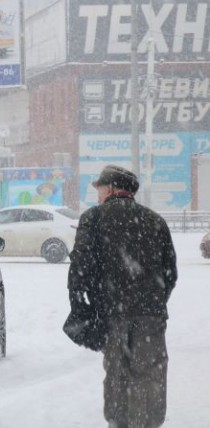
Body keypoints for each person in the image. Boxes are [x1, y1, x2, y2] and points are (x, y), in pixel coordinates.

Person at [67, 164, 177, 428]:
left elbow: (80, 270)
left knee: (118, 374)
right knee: (150, 375)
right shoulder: (154, 221)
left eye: (100, 188)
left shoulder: (93, 218)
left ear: (112, 189)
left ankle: (120, 424)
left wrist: (88, 308)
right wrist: (152, 301)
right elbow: (170, 273)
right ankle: (147, 424)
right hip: (150, 316)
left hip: (112, 314)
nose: (98, 194)